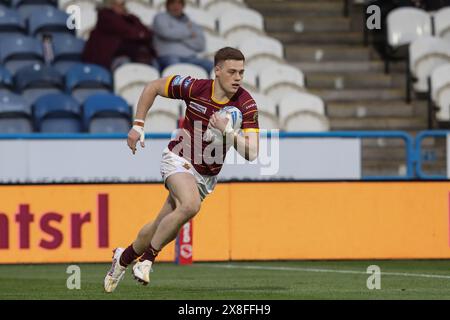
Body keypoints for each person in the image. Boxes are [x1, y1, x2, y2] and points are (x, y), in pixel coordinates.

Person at [104, 47, 259, 292]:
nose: (238, 77)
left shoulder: (246, 104)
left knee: (162, 225)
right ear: (217, 71)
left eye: (241, 72)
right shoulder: (194, 87)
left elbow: (252, 152)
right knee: (190, 205)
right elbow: (153, 87)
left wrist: (228, 132)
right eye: (232, 71)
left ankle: (122, 259)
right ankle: (146, 261)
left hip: (206, 175)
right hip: (177, 158)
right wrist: (138, 125)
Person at [82, 0, 158, 70]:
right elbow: (125, 30)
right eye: (118, 4)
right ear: (110, 5)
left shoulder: (131, 18)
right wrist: (140, 34)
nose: (122, 7)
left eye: (122, 4)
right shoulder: (105, 16)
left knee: (154, 63)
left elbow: (147, 33)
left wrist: (139, 33)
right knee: (125, 64)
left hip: (133, 54)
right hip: (111, 58)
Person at [152, 0, 214, 74]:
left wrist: (176, 33)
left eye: (179, 3)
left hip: (191, 57)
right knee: (177, 70)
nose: (176, 6)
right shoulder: (160, 17)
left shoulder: (191, 22)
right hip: (169, 57)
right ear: (167, 6)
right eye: (172, 3)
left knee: (213, 67)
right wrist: (189, 33)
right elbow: (166, 33)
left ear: (183, 6)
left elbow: (200, 45)